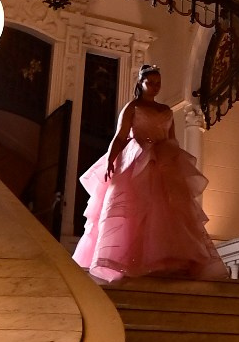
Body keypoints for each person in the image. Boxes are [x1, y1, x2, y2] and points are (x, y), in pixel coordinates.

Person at [72, 64, 228, 282]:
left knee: (167, 211)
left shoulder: (166, 110)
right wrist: (110, 158)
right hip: (136, 163)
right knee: (135, 210)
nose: (155, 87)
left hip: (163, 162)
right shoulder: (132, 107)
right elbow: (120, 136)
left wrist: (170, 154)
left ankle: (166, 261)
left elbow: (171, 138)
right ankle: (129, 261)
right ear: (141, 83)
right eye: (150, 83)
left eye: (158, 83)